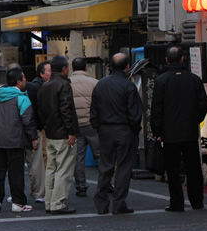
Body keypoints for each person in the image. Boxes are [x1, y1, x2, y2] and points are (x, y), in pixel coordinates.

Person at [151, 46, 207, 212]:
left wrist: (157, 131)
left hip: (169, 133)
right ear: (183, 59)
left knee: (173, 168)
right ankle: (197, 201)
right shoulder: (193, 79)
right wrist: (195, 120)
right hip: (190, 130)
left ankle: (176, 202)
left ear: (167, 60)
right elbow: (202, 104)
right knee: (193, 167)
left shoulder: (161, 80)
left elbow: (156, 108)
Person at [0, 67, 39, 213]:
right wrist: (33, 138)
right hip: (15, 141)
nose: (25, 81)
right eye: (24, 78)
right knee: (16, 172)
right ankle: (17, 202)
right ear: (18, 81)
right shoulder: (22, 98)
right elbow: (28, 121)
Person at [90, 53, 142, 215]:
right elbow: (135, 114)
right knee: (124, 167)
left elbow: (94, 111)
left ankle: (101, 203)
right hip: (125, 130)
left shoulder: (100, 85)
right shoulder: (128, 86)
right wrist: (134, 129)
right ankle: (119, 203)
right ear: (127, 67)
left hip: (105, 129)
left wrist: (98, 126)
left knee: (105, 166)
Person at [36, 55, 79, 214]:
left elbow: (41, 111)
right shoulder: (63, 85)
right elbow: (66, 110)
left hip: (50, 132)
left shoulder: (44, 86)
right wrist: (71, 131)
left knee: (51, 168)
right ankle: (58, 203)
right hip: (63, 133)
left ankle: (49, 201)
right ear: (63, 69)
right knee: (64, 169)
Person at [69, 57, 100, 197]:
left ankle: (81, 186)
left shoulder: (67, 83)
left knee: (78, 158)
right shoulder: (95, 83)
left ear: (72, 68)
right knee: (100, 155)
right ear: (86, 68)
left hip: (76, 125)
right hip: (92, 124)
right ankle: (106, 183)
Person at [23, 60, 50, 204]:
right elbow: (38, 113)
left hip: (18, 133)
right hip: (36, 131)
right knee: (37, 164)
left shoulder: (31, 88)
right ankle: (39, 192)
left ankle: (20, 194)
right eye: (49, 71)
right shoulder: (37, 89)